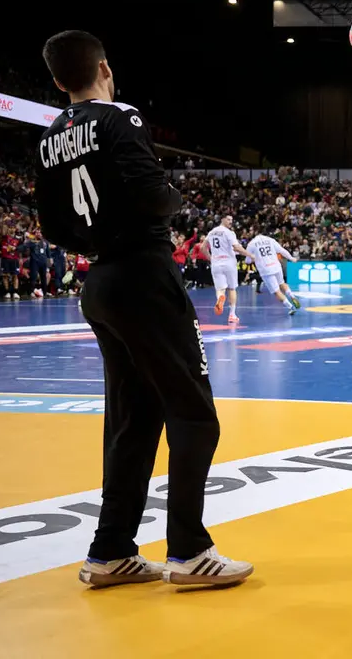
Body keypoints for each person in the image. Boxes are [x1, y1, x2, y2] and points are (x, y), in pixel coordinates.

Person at [35, 30, 251, 587]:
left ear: (59, 82)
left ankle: (109, 552)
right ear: (104, 67)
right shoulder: (120, 117)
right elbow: (154, 193)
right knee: (194, 414)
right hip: (146, 274)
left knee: (132, 421)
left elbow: (53, 227)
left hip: (100, 282)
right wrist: (173, 202)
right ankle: (188, 551)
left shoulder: (49, 137)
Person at [199, 216, 251, 325]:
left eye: (232, 220)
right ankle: (232, 315)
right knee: (232, 288)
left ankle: (220, 298)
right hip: (229, 263)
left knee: (220, 288)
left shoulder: (212, 232)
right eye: (228, 220)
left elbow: (203, 248)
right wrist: (250, 255)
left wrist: (211, 258)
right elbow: (237, 248)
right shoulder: (228, 233)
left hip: (216, 263)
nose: (231, 222)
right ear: (222, 219)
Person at [246, 231, 301, 315]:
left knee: (276, 291)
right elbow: (282, 251)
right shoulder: (270, 240)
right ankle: (292, 296)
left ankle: (290, 307)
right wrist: (292, 258)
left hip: (266, 270)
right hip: (276, 266)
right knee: (282, 283)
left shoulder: (251, 244)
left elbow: (247, 261)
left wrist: (255, 258)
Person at [27, 231, 51, 298]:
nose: (38, 234)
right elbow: (25, 248)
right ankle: (31, 292)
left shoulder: (46, 242)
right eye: (36, 233)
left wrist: (49, 260)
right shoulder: (32, 242)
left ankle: (45, 292)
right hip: (34, 262)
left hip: (43, 262)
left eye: (39, 232)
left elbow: (48, 253)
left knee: (44, 277)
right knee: (33, 277)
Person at [0, 229, 21, 299]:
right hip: (5, 259)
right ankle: (7, 292)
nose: (11, 230)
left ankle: (15, 292)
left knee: (15, 275)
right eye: (10, 229)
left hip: (14, 260)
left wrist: (19, 258)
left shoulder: (17, 239)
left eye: (13, 229)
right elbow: (3, 231)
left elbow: (20, 249)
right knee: (5, 276)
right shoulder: (4, 238)